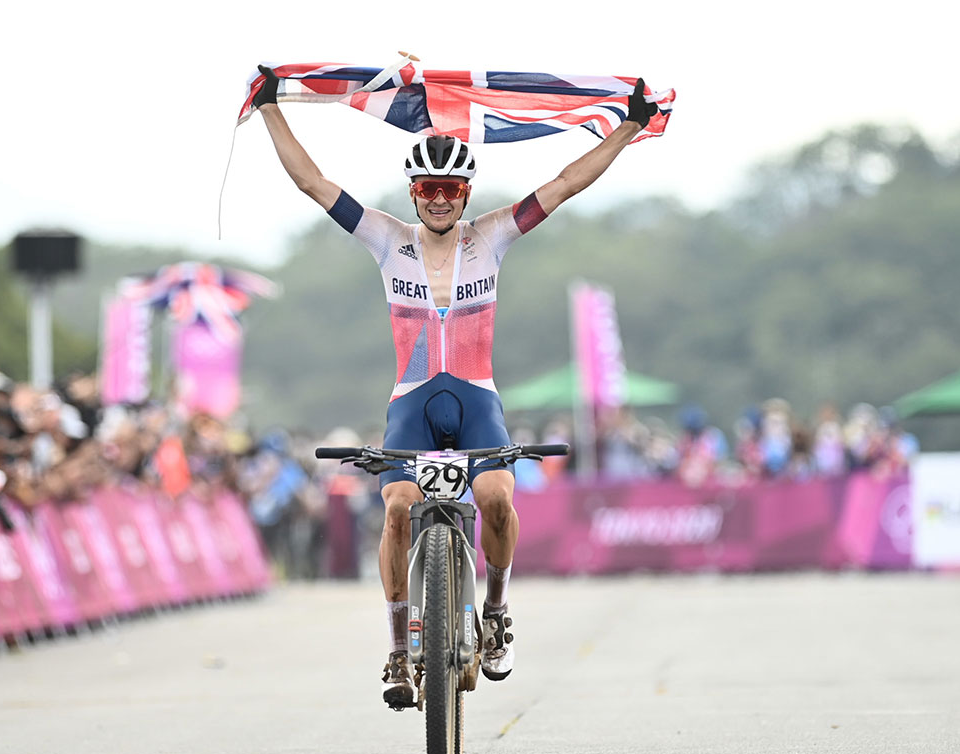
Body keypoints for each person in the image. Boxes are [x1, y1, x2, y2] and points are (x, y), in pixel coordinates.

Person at [252, 66, 660, 708]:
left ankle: (495, 612)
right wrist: (272, 107)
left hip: (476, 398)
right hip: (411, 402)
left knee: (497, 499)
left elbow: (566, 183)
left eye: (450, 188)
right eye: (428, 187)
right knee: (394, 510)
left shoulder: (491, 238)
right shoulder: (386, 240)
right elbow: (312, 182)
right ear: (413, 192)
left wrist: (630, 127)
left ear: (465, 194)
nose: (440, 198)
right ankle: (395, 649)